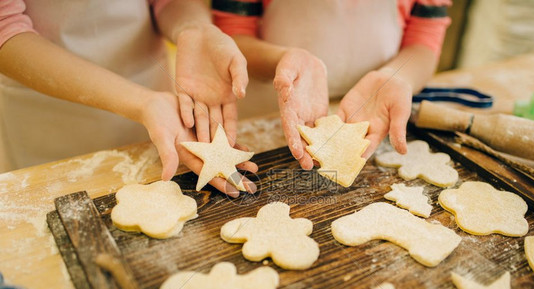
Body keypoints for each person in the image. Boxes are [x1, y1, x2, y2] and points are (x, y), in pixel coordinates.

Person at [0, 0, 255, 196]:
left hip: (151, 88)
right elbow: (5, 26)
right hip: (47, 111)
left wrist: (194, 28)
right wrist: (143, 103)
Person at [212, 0, 451, 169]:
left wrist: (397, 76)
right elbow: (231, 37)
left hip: (371, 108)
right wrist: (282, 60)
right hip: (273, 104)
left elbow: (424, 41)